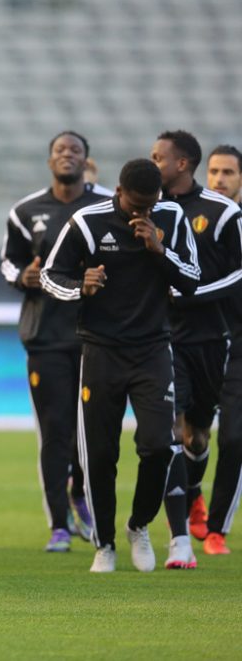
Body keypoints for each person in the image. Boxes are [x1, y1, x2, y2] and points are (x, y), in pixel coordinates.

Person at [41, 159, 199, 573]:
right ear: (119, 192)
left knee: (159, 446)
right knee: (99, 454)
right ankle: (105, 544)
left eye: (150, 205)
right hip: (100, 352)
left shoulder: (172, 216)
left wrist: (159, 250)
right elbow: (50, 276)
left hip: (151, 350)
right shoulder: (87, 222)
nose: (142, 214)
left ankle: (138, 525)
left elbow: (192, 278)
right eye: (136, 206)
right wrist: (81, 286)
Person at [0, 131, 112, 552]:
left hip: (95, 336)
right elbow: (9, 264)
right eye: (60, 150)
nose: (67, 155)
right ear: (50, 161)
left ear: (87, 160)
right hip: (45, 336)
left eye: (76, 150)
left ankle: (82, 496)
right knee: (55, 432)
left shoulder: (105, 206)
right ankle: (58, 525)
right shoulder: (27, 211)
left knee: (94, 429)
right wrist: (22, 277)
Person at [151, 131, 241, 559]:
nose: (154, 163)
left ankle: (194, 492)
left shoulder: (222, 213)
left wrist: (195, 292)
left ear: (181, 163)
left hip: (211, 337)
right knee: (171, 428)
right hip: (165, 336)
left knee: (198, 435)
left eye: (159, 157)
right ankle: (178, 533)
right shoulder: (149, 207)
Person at [195, 144, 242, 554]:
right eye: (213, 171)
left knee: (233, 438)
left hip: (237, 346)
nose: (220, 179)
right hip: (199, 341)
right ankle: (192, 493)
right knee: (187, 435)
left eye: (228, 172)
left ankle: (215, 530)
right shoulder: (191, 219)